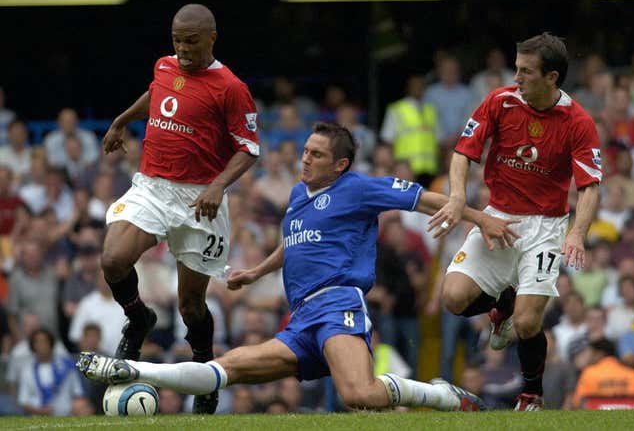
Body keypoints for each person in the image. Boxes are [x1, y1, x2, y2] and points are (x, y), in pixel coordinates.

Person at [77, 122, 521, 412]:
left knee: (358, 396)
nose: (305, 158)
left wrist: (481, 218)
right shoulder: (295, 197)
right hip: (301, 316)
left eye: (317, 155)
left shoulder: (359, 189)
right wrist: (257, 272)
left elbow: (425, 199)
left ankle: (442, 396)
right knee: (230, 367)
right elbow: (295, 245)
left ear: (341, 165)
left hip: (338, 304)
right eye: (305, 151)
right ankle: (134, 371)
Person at [97, 3, 260, 413]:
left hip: (198, 200)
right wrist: (121, 120)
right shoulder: (165, 66)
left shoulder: (231, 87)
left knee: (190, 306)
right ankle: (139, 319)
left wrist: (219, 186)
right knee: (113, 260)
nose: (183, 49)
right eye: (176, 40)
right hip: (153, 187)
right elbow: (156, 94)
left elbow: (250, 149)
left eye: (191, 41)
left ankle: (205, 373)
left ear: (211, 38)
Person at [431, 33, 601, 410]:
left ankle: (531, 396)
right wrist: (459, 196)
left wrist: (577, 232)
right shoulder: (500, 101)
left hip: (546, 227)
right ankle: (503, 301)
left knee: (526, 324)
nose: (516, 77)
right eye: (517, 68)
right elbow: (463, 152)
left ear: (551, 77)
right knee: (453, 298)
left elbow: (589, 187)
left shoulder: (578, 121)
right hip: (497, 217)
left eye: (525, 71)